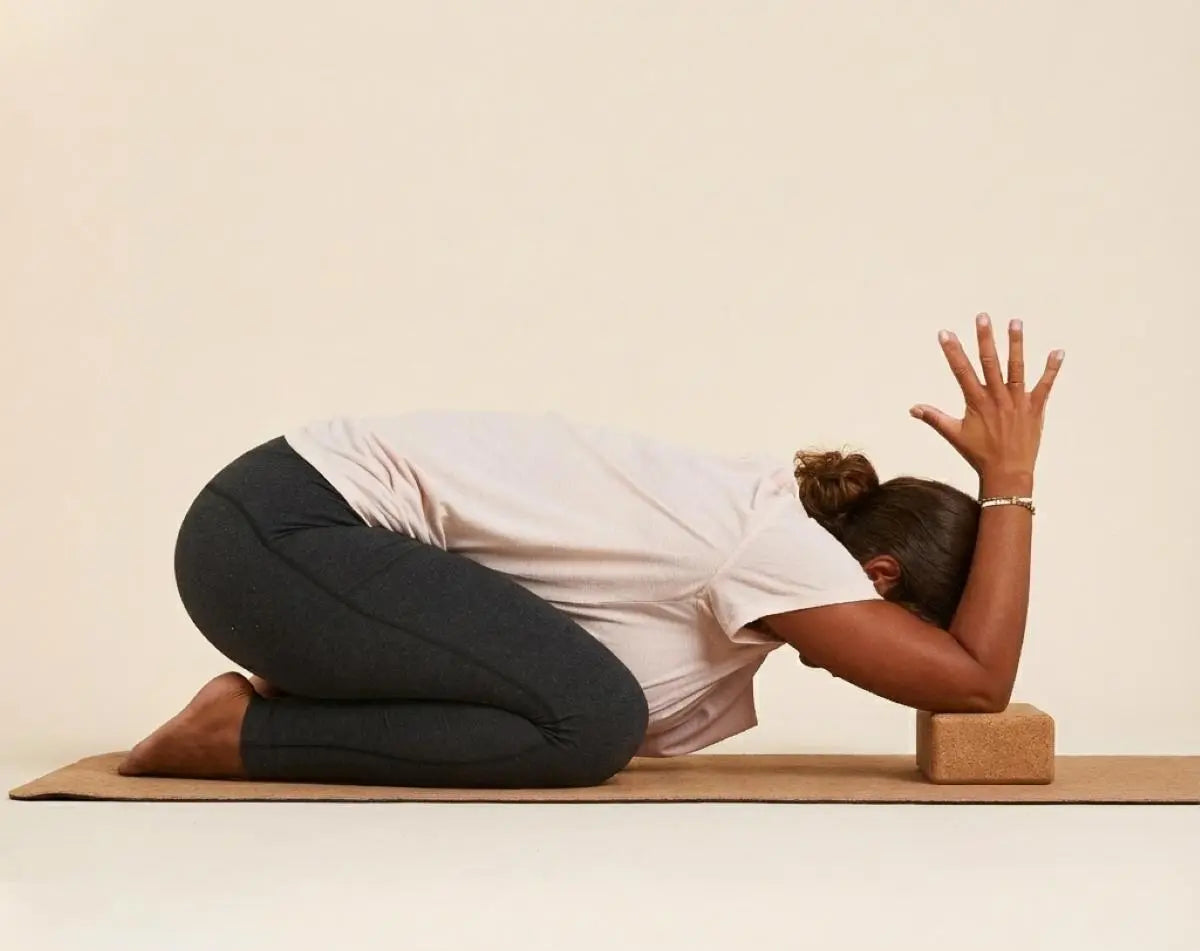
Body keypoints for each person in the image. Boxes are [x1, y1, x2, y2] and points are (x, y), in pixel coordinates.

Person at [119, 312, 1064, 788]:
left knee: (585, 706)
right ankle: (234, 738)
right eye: (909, 631)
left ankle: (283, 707)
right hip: (283, 534)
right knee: (592, 719)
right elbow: (976, 683)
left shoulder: (743, 565)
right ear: (878, 578)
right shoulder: (781, 549)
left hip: (277, 548)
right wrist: (1010, 479)